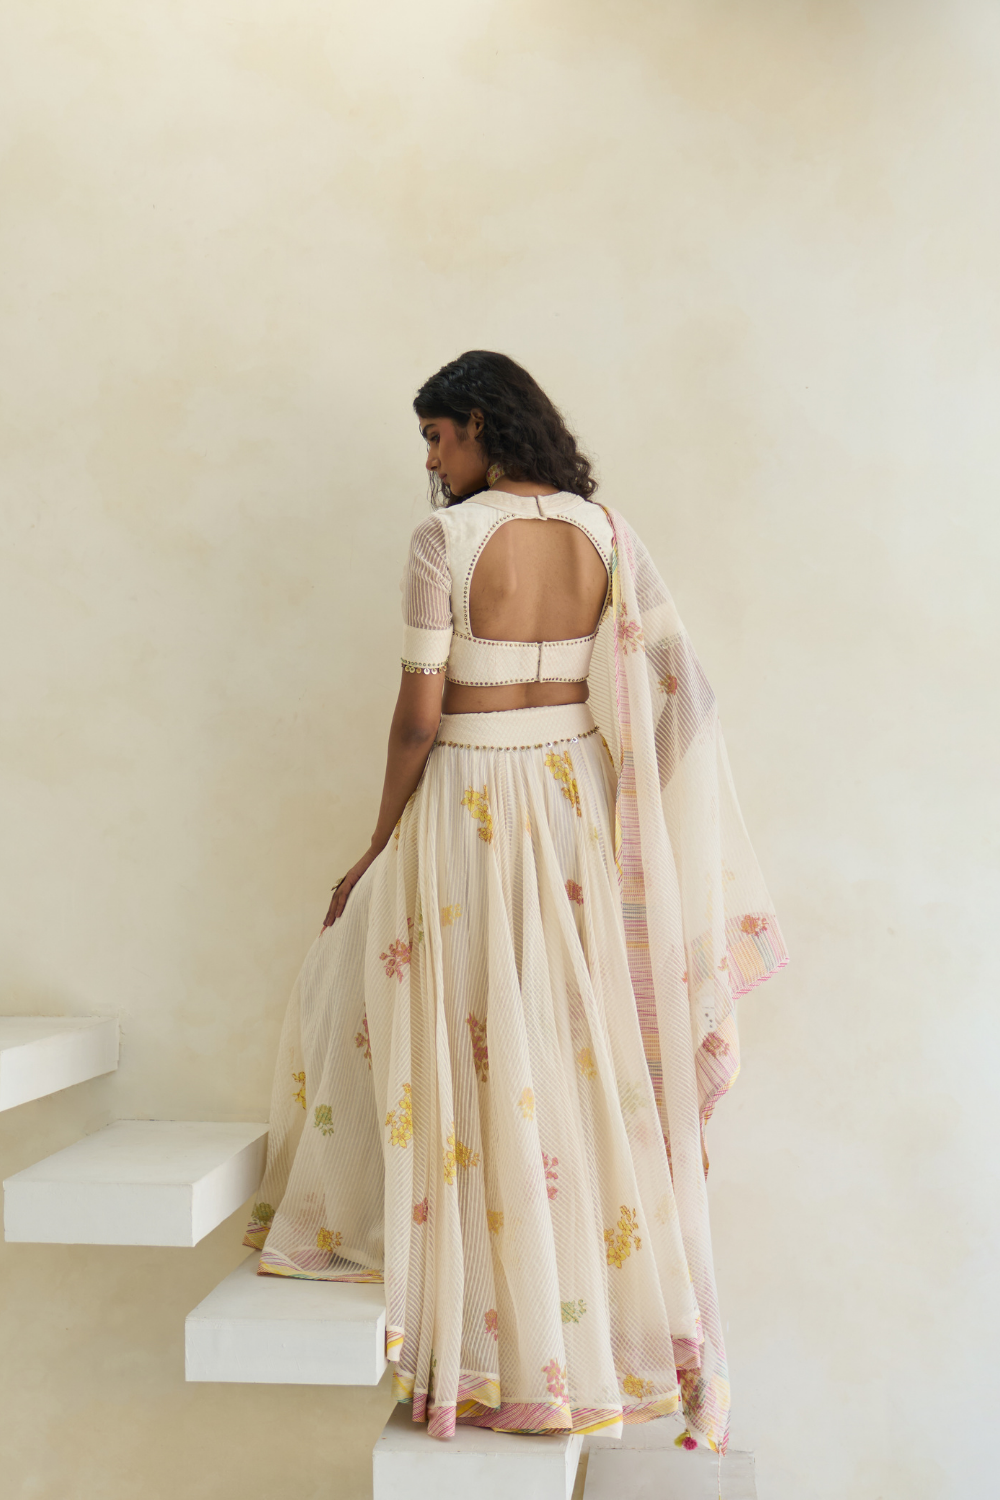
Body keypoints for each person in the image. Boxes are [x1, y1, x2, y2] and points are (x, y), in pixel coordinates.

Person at [243, 351, 787, 1455]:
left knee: (471, 1042)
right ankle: (559, 1340)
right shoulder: (607, 533)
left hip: (471, 801)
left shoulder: (444, 541)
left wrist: (376, 843)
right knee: (565, 1049)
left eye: (437, 437)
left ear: (482, 425)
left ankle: (491, 1337)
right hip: (575, 803)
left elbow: (418, 717)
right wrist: (635, 810)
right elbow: (683, 696)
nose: (433, 461)